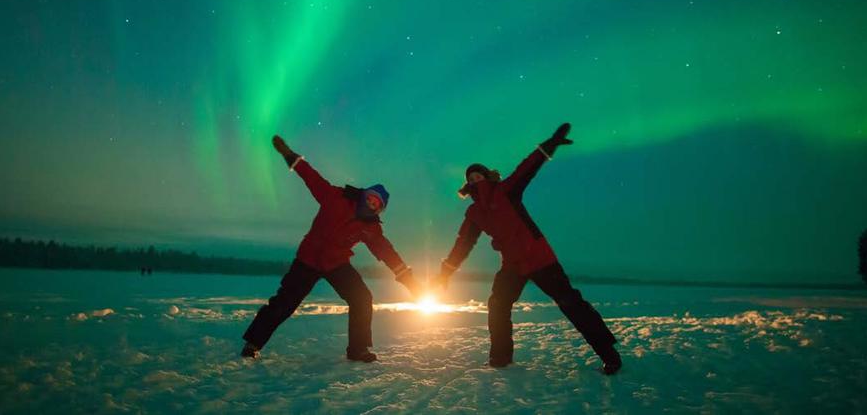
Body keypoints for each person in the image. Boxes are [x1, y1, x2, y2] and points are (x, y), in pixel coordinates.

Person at [436, 123, 622, 374]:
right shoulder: (474, 213)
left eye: (478, 175)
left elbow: (528, 167)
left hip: (539, 257)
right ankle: (500, 358)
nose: (474, 180)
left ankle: (609, 354)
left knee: (570, 303)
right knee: (498, 304)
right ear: (467, 186)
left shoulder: (506, 190)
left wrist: (549, 145)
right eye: (470, 179)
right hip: (512, 264)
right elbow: (462, 244)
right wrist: (446, 272)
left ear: (487, 176)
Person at [241, 135, 422, 362]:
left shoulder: (371, 228)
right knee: (284, 302)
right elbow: (312, 178)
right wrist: (289, 155)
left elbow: (387, 252)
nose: (372, 204)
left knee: (362, 298)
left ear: (379, 210)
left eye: (378, 204)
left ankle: (358, 350)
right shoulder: (336, 197)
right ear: (365, 194)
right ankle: (253, 343)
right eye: (372, 198)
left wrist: (409, 280)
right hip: (308, 259)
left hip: (336, 263)